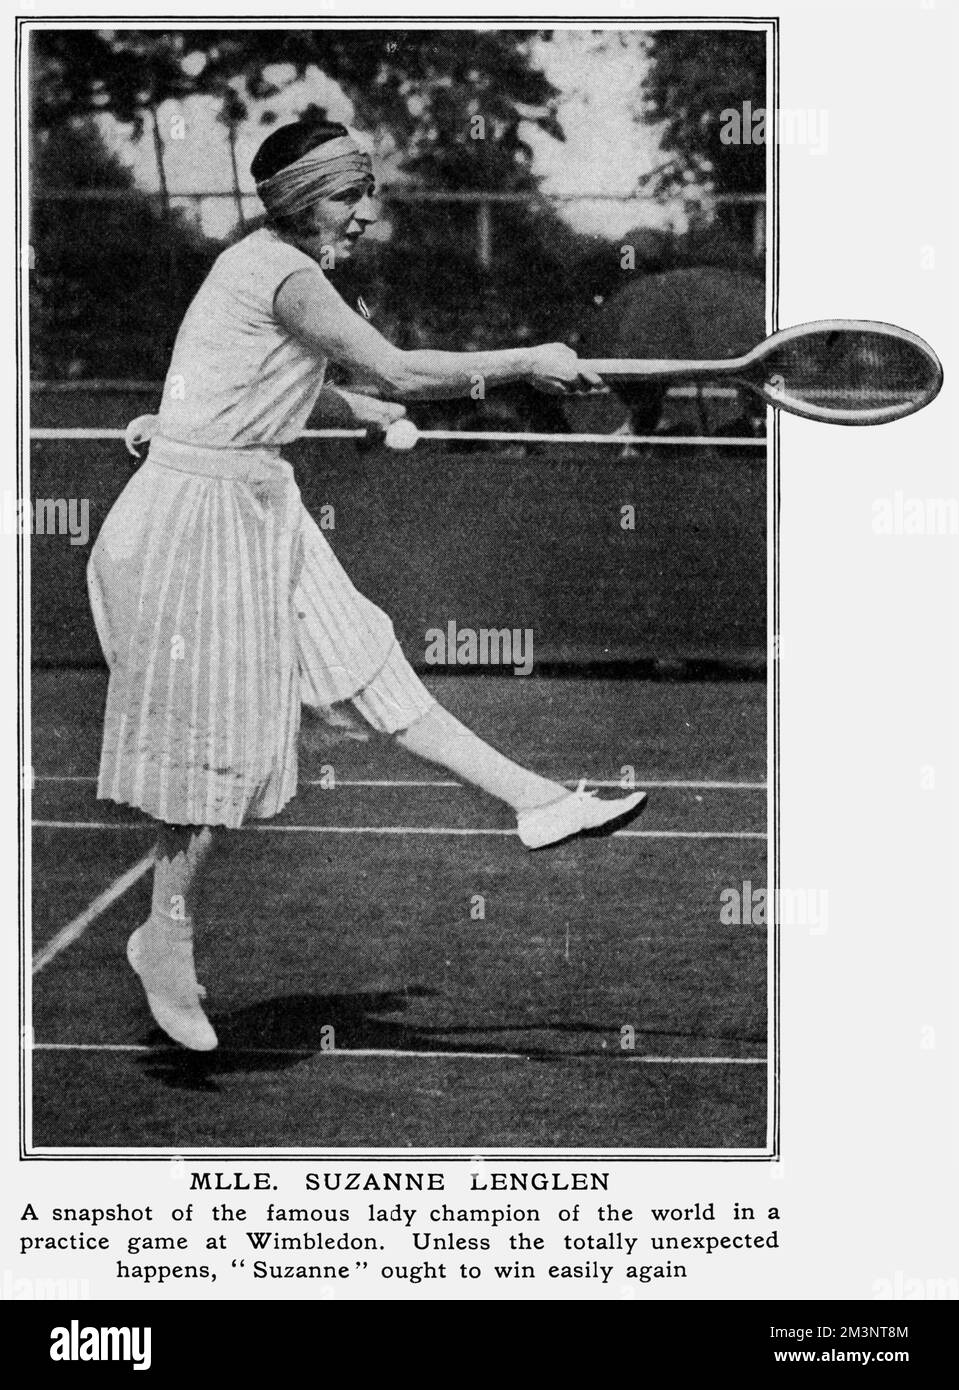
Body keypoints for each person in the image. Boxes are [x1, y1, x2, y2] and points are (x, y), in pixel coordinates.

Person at [88, 119, 648, 1053]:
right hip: (194, 523)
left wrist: (359, 407)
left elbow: (276, 383)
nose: (365, 213)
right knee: (210, 746)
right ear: (306, 198)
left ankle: (536, 804)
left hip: (259, 503)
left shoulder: (269, 274)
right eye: (351, 196)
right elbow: (392, 361)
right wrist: (527, 362)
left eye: (365, 193)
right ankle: (164, 942)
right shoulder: (280, 272)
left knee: (365, 666)